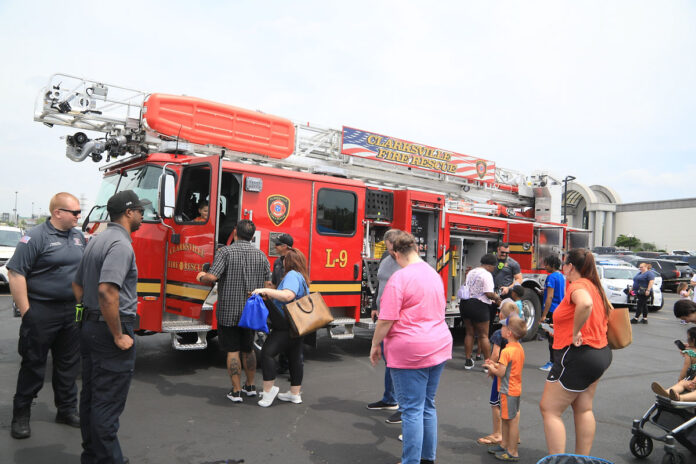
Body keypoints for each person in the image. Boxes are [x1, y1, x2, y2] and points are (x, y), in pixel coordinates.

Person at [73, 189, 149, 464]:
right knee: (106, 403)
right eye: (140, 210)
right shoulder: (120, 244)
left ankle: (92, 457)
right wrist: (117, 334)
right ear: (129, 213)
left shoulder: (97, 239)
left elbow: (78, 284)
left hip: (92, 327)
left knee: (92, 397)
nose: (143, 215)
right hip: (110, 331)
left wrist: (88, 316)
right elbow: (107, 291)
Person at [369, 231, 453, 464]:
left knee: (412, 410)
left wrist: (375, 344)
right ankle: (427, 458)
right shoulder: (433, 274)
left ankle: (411, 461)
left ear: (396, 253)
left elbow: (386, 320)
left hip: (411, 349)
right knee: (427, 405)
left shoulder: (400, 278)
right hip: (438, 344)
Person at [7, 192, 85, 439]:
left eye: (79, 211)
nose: (78, 216)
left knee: (68, 365)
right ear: (58, 213)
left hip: (71, 310)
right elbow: (16, 273)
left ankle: (66, 410)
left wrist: (81, 306)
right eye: (74, 212)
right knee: (33, 364)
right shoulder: (36, 237)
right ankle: (21, 415)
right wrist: (27, 312)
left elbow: (81, 272)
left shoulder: (78, 236)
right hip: (41, 310)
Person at [539, 248, 613, 456]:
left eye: (564, 264)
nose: (562, 268)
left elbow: (585, 304)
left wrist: (575, 332)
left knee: (550, 409)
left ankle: (558, 461)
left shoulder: (578, 285)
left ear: (571, 266)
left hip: (579, 355)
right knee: (583, 409)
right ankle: (582, 460)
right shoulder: (594, 286)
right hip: (600, 353)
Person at [196, 220, 271, 402]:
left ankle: (236, 391)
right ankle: (251, 386)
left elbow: (212, 277)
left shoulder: (226, 252)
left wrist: (201, 276)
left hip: (228, 310)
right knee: (248, 349)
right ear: (252, 236)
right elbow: (268, 287)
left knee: (232, 350)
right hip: (251, 312)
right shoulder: (262, 256)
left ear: (235, 232)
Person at [252, 248, 310, 407]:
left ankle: (269, 392)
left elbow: (288, 295)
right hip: (298, 324)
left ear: (289, 261)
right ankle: (294, 394)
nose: (281, 261)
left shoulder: (291, 275)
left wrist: (265, 290)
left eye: (284, 258)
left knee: (267, 353)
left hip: (285, 324)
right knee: (295, 358)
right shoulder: (302, 277)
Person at [366, 229, 402, 424]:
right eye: (388, 248)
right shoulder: (385, 259)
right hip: (383, 313)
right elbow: (380, 284)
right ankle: (389, 399)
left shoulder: (406, 263)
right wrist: (374, 306)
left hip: (396, 318)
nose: (390, 252)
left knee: (398, 363)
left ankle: (404, 408)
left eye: (392, 249)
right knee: (390, 362)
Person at [477, 302, 521, 447]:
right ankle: (514, 435)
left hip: (502, 376)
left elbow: (495, 354)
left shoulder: (498, 334)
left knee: (495, 404)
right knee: (513, 407)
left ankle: (498, 433)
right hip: (514, 377)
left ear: (501, 315)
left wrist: (491, 368)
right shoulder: (516, 340)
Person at [484, 314, 527, 461]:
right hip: (514, 388)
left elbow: (501, 373)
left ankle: (512, 451)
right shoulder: (518, 348)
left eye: (503, 326)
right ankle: (505, 445)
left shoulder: (506, 351)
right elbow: (508, 368)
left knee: (510, 421)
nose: (500, 328)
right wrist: (495, 364)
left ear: (509, 332)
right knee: (508, 419)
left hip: (507, 390)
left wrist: (491, 367)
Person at [460, 254, 501, 369]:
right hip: (479, 305)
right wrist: (497, 298)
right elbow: (488, 293)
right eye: (493, 266)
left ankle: (468, 361)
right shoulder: (487, 275)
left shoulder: (471, 272)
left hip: (465, 303)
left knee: (469, 333)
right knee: (483, 336)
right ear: (488, 266)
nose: (494, 269)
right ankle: (488, 364)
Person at [651, 327, 696, 401]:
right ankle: (672, 394)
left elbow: (685, 368)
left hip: (693, 380)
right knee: (684, 384)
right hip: (693, 381)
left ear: (693, 340)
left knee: (681, 383)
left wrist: (680, 379)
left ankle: (672, 394)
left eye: (688, 338)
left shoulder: (689, 353)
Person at [540, 255, 565, 372]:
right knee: (558, 337)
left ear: (552, 265)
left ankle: (552, 362)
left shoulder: (551, 277)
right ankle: (558, 362)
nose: (545, 266)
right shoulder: (561, 276)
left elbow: (549, 297)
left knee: (551, 339)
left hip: (552, 311)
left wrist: (544, 315)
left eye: (546, 264)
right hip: (560, 310)